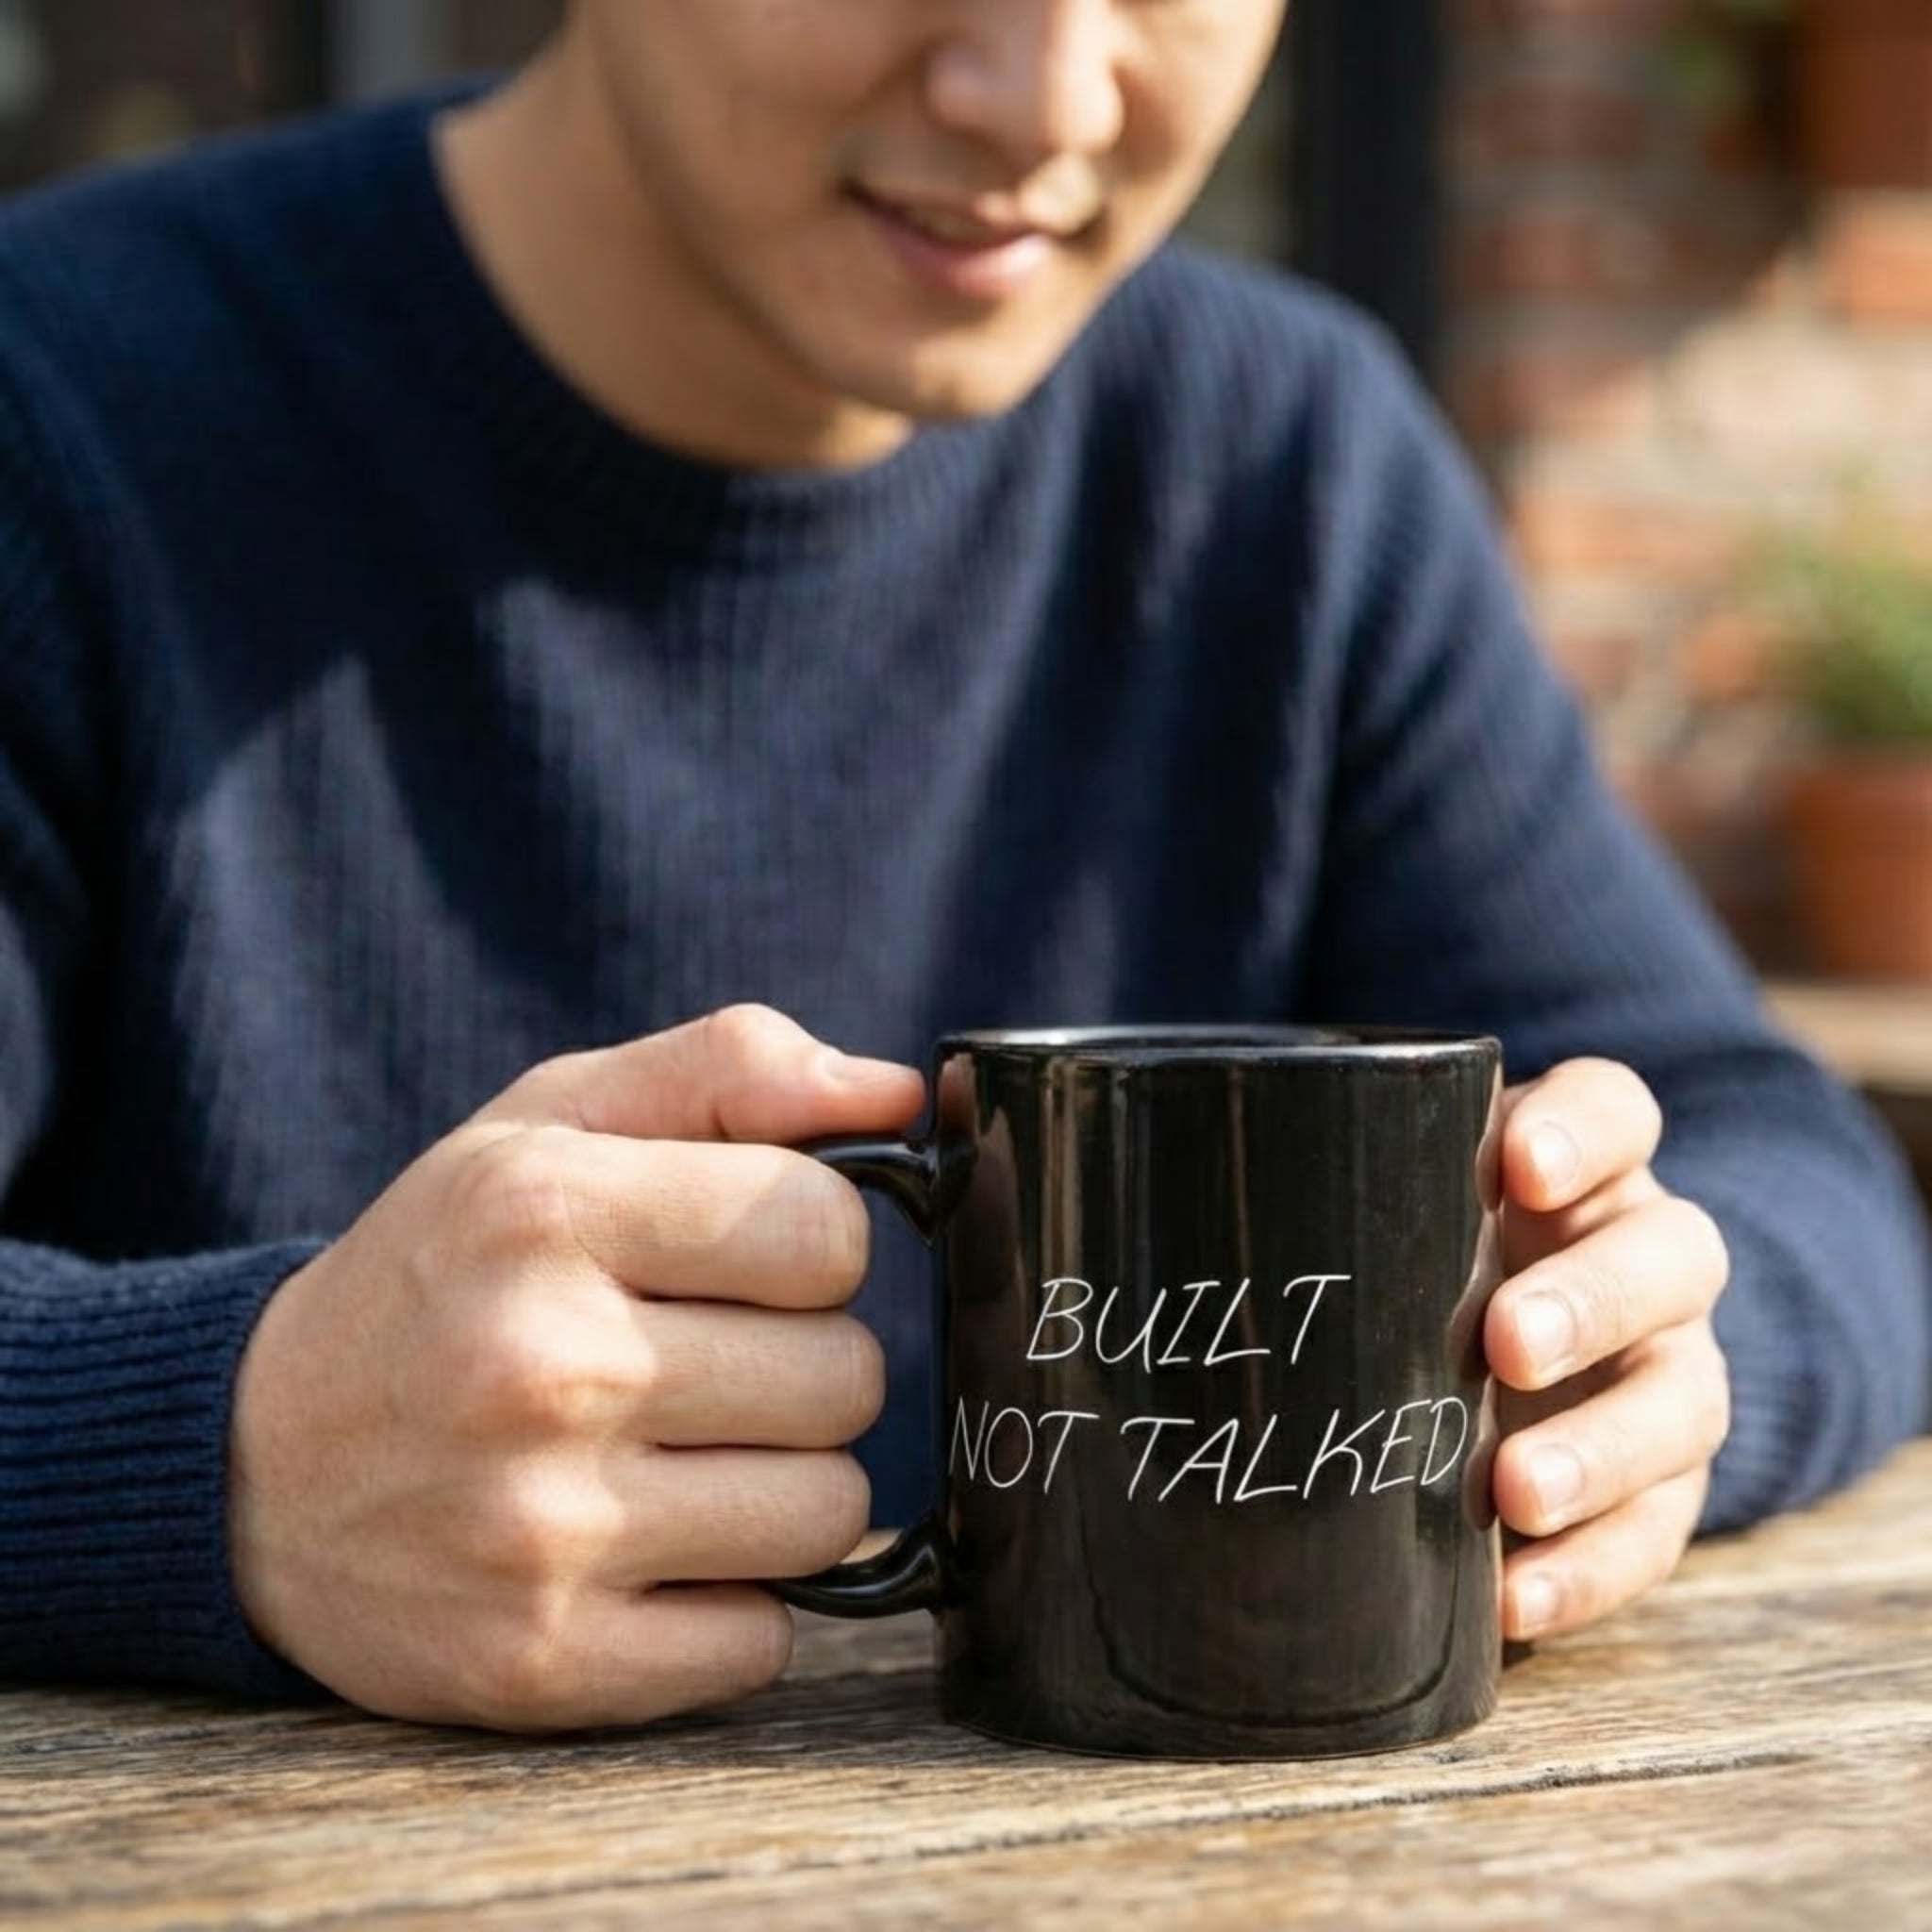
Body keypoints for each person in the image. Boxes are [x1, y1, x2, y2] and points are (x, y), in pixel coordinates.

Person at [0, 1, 1925, 1734]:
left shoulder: (1283, 458)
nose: (1044, 94)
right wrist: (223, 1445)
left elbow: (1778, 1154)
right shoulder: (63, 404)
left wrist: (1633, 1365)